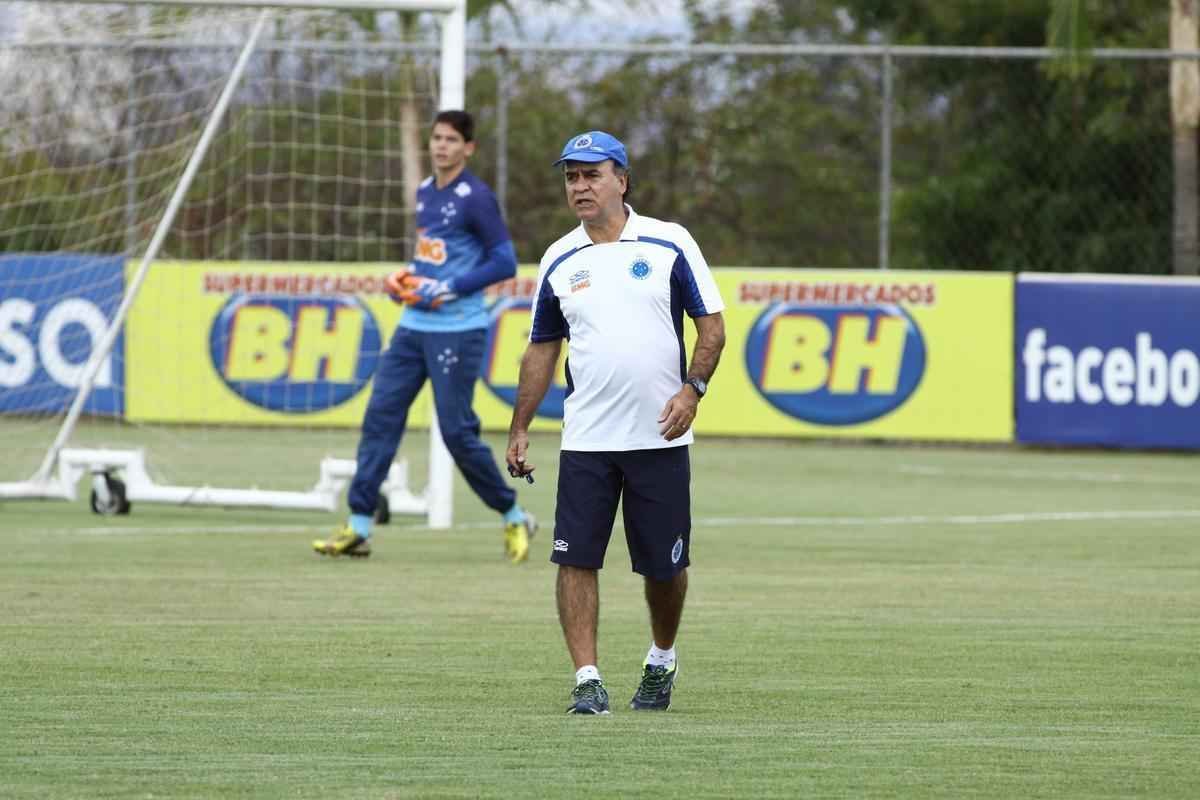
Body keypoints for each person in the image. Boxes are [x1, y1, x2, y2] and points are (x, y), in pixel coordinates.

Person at [505, 131, 726, 714]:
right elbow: (541, 349)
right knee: (574, 558)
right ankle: (587, 679)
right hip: (586, 439)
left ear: (621, 180)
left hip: (660, 434)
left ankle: (661, 658)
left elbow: (713, 328)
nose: (579, 186)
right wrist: (520, 425)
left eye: (591, 175)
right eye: (571, 177)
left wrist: (692, 390)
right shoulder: (558, 257)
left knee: (665, 567)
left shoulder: (670, 242)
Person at [313, 110, 537, 563]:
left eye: (452, 140)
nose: (441, 146)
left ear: (468, 148)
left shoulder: (476, 197)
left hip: (459, 329)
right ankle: (358, 525)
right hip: (414, 325)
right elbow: (434, 257)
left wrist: (449, 288)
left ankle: (513, 515)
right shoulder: (422, 192)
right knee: (380, 417)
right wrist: (408, 280)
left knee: (456, 433)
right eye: (436, 138)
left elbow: (504, 262)